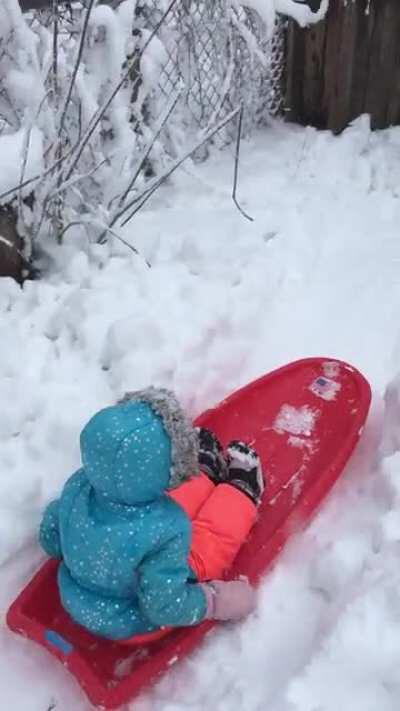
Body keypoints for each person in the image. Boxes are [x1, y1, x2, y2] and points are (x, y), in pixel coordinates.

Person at [39, 388, 265, 642]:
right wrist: (214, 600)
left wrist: (85, 547)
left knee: (151, 499)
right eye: (176, 459)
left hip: (76, 598)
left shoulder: (78, 487)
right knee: (205, 545)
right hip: (132, 622)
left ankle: (203, 473)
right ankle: (241, 492)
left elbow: (51, 536)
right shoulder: (168, 529)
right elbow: (164, 607)